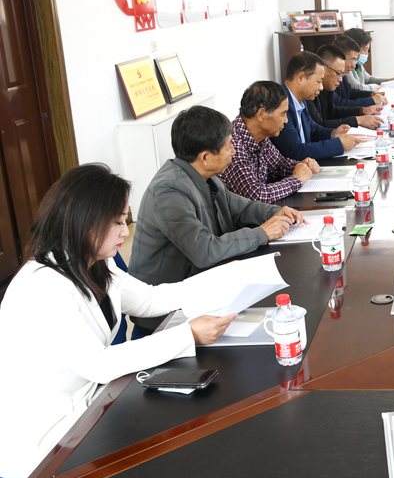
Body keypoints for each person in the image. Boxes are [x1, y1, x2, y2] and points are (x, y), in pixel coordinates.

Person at [0, 164, 236, 478]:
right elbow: (99, 364)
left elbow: (148, 299)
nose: (126, 231)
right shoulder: (43, 286)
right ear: (85, 221)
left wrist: (226, 280)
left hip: (90, 404)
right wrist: (188, 334)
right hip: (45, 440)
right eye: (117, 222)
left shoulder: (95, 262)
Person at [129, 105, 304, 333]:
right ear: (205, 157)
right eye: (228, 146)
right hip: (166, 317)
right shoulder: (169, 191)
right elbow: (204, 250)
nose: (234, 151)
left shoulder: (205, 176)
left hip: (201, 291)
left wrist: (275, 213)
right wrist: (262, 233)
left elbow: (241, 207)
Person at [220, 81, 321, 203]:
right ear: (261, 115)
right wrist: (296, 180)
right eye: (282, 114)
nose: (286, 121)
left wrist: (303, 165)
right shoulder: (233, 146)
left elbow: (279, 165)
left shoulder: (260, 137)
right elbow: (257, 196)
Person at [270, 52, 361, 161]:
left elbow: (313, 128)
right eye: (318, 82)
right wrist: (338, 145)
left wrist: (333, 133)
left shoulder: (301, 100)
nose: (321, 87)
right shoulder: (280, 105)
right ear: (301, 78)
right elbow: (295, 151)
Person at [307, 45, 384, 130]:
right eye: (338, 73)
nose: (340, 79)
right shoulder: (309, 93)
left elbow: (333, 111)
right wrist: (358, 120)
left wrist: (362, 111)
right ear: (323, 68)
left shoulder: (327, 88)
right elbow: (320, 126)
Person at [332, 35, 387, 107]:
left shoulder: (343, 74)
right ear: (340, 57)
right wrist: (371, 101)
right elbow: (339, 105)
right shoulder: (330, 78)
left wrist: (371, 94)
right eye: (353, 60)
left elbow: (351, 92)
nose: (354, 66)